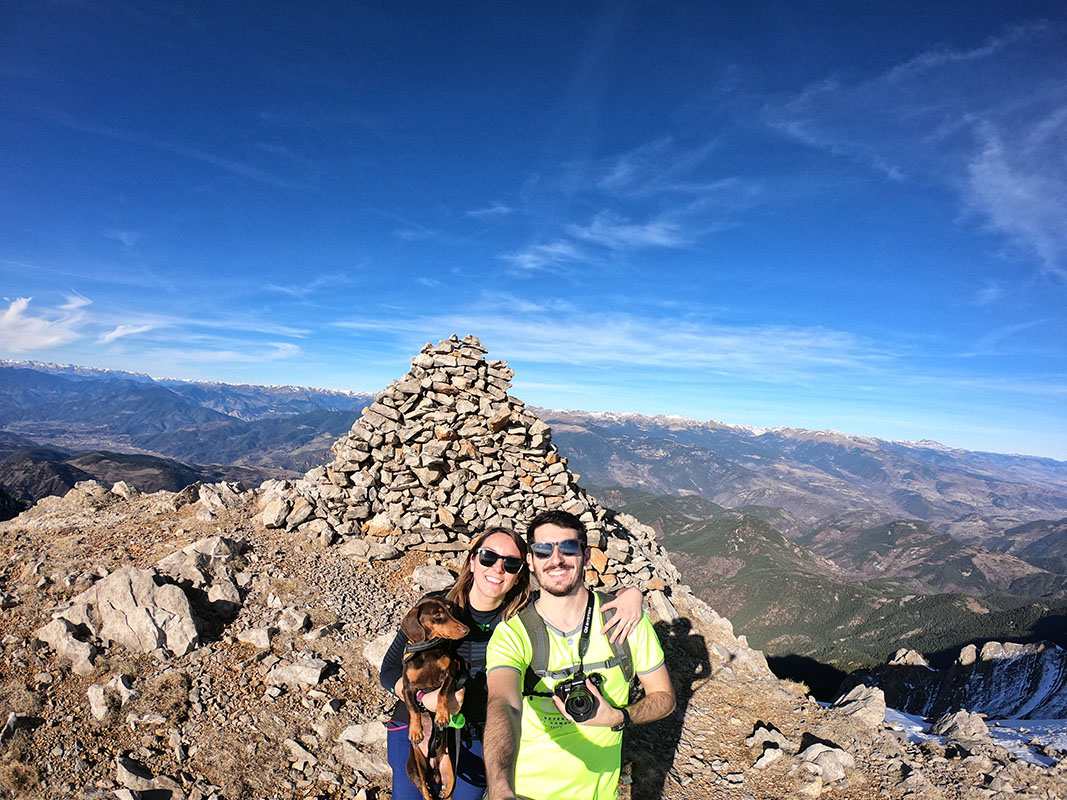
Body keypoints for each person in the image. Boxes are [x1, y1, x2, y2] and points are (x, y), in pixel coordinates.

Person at [379, 526, 646, 800]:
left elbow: (577, 599)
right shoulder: (436, 608)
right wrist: (426, 700)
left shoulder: (527, 615)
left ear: (520, 572)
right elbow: (387, 672)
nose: (498, 569)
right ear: (472, 561)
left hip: (478, 738)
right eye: (488, 557)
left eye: (511, 563)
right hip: (416, 728)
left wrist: (632, 594)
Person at [483, 510, 676, 800]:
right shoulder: (513, 634)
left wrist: (619, 717)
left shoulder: (626, 621)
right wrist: (500, 791)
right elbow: (503, 705)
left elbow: (664, 698)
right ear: (530, 561)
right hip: (524, 794)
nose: (556, 559)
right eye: (543, 550)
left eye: (568, 548)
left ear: (585, 557)